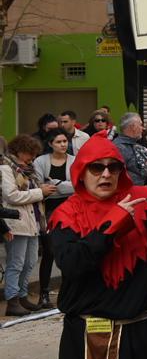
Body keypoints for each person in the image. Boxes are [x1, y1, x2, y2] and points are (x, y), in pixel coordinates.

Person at [48, 135, 147, 359]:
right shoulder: (66, 214)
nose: (106, 174)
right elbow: (72, 264)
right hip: (89, 337)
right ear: (80, 171)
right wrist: (110, 227)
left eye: (113, 167)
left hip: (142, 333)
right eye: (96, 167)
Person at [2, 134, 55, 316]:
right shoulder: (6, 168)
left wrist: (43, 190)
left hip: (32, 221)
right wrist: (40, 192)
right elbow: (12, 196)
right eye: (29, 154)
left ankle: (23, 296)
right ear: (19, 151)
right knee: (16, 263)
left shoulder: (27, 169)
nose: (31, 158)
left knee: (30, 261)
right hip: (16, 222)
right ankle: (12, 299)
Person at [33, 128, 75, 309]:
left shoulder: (74, 161)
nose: (63, 145)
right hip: (47, 209)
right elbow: (38, 185)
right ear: (50, 144)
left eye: (65, 141)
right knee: (49, 251)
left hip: (70, 209)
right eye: (59, 142)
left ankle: (68, 292)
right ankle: (44, 293)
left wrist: (56, 184)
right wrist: (61, 187)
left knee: (68, 250)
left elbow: (77, 185)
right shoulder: (40, 161)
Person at [113, 113, 147, 186]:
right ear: (133, 127)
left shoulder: (133, 144)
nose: (143, 128)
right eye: (140, 125)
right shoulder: (119, 148)